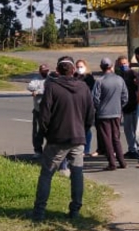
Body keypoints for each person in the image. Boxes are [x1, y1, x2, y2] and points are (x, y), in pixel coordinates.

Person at [30, 56, 95, 221]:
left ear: (57, 71)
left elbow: (43, 116)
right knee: (77, 173)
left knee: (46, 174)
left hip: (57, 138)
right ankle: (75, 211)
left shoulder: (52, 87)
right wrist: (83, 130)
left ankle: (39, 212)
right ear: (73, 70)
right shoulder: (83, 87)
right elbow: (90, 115)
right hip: (78, 138)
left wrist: (47, 134)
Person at [92, 57, 128, 171]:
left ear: (101, 67)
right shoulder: (119, 80)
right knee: (116, 137)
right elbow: (125, 97)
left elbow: (95, 99)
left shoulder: (99, 81)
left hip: (103, 114)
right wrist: (119, 106)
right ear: (111, 66)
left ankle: (112, 163)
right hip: (116, 113)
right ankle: (122, 161)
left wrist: (99, 108)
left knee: (107, 138)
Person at [117, 55, 139, 161]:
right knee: (127, 128)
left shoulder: (133, 73)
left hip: (134, 103)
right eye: (121, 64)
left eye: (125, 63)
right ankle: (131, 149)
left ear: (128, 63)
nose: (123, 65)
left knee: (137, 128)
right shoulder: (119, 76)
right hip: (125, 105)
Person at [74, 59, 98, 156]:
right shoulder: (74, 77)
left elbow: (91, 92)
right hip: (76, 106)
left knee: (87, 128)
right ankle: (78, 148)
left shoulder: (89, 78)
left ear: (85, 67)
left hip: (87, 106)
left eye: (81, 67)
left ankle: (86, 149)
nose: (79, 69)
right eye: (78, 67)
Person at [27, 64, 50, 159]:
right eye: (43, 70)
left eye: (46, 70)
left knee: (49, 130)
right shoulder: (36, 79)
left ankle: (49, 150)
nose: (45, 72)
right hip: (38, 109)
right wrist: (37, 89)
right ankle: (37, 150)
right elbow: (30, 87)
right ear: (40, 71)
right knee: (36, 131)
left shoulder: (51, 78)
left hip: (49, 110)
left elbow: (50, 89)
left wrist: (39, 91)